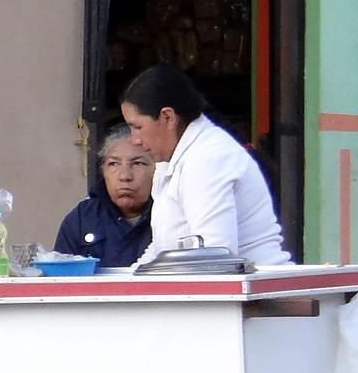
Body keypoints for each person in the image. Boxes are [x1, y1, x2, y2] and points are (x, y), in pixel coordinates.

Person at [121, 65, 290, 267]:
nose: (135, 140)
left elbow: (215, 256)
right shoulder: (169, 161)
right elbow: (160, 249)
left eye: (138, 127)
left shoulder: (208, 158)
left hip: (255, 290)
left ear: (168, 117)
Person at [54, 123, 154, 268]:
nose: (124, 176)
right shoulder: (82, 218)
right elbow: (60, 279)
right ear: (103, 171)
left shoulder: (171, 212)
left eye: (138, 163)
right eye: (113, 164)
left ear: (159, 168)